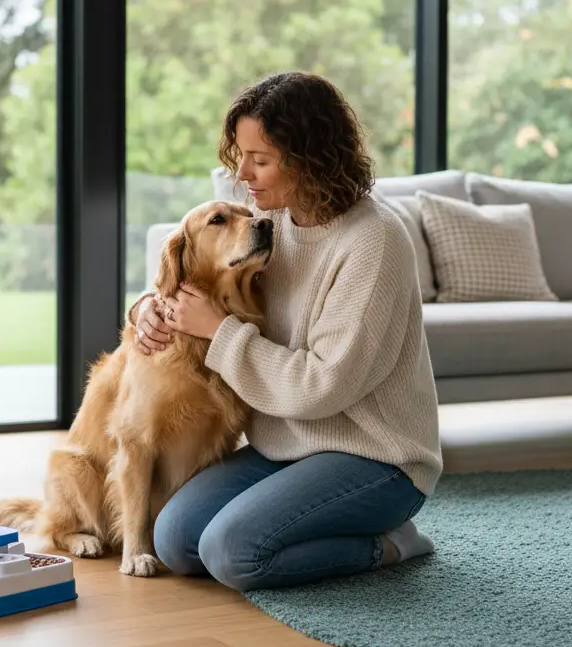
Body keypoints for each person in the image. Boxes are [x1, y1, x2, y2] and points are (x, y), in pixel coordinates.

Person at [128, 71, 442, 592]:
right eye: (241, 156)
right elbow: (200, 274)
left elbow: (323, 387)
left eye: (262, 160)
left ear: (309, 159)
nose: (243, 176)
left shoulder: (375, 242)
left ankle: (391, 543)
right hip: (285, 449)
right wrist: (146, 309)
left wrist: (221, 332)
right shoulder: (272, 225)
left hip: (375, 458)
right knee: (175, 541)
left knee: (232, 554)